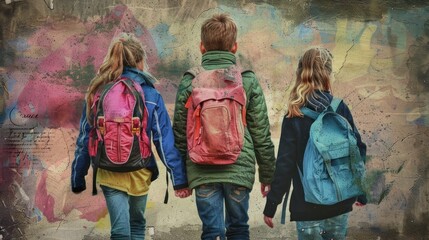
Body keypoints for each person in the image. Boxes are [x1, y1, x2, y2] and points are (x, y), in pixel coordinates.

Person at [71, 33, 191, 239]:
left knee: (119, 230)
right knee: (137, 224)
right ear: (140, 61)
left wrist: (78, 175)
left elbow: (85, 138)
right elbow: (163, 141)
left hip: (108, 171)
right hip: (140, 171)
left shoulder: (98, 92)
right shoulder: (151, 95)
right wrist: (179, 179)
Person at [173, 13, 276, 240]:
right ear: (234, 46)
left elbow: (180, 133)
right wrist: (267, 175)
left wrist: (180, 178)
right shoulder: (247, 79)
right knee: (238, 229)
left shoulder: (191, 80)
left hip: (202, 170)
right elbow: (261, 134)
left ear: (202, 47)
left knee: (212, 231)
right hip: (239, 168)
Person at [263, 47, 367, 240]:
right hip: (340, 201)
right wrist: (360, 192)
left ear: (300, 75)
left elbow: (284, 166)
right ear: (328, 74)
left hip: (307, 206)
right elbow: (357, 151)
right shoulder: (339, 108)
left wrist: (271, 205)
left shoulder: (294, 115)